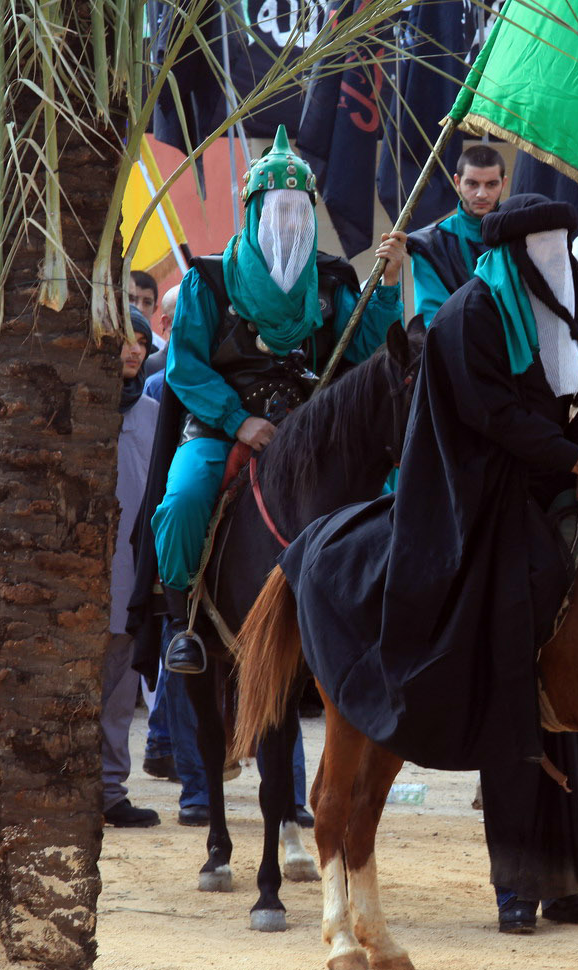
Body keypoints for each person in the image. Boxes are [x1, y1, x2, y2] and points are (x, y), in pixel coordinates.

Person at [277, 194, 578, 933]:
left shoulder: (568, 299)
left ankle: (567, 873)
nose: (562, 255)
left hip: (553, 483)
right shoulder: (471, 313)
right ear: (517, 250)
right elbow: (493, 419)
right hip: (477, 491)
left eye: (566, 241)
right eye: (549, 243)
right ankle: (514, 883)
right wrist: (574, 460)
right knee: (512, 612)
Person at [150, 127, 406, 675]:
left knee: (386, 497)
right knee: (185, 499)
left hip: (307, 429)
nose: (288, 221)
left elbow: (362, 349)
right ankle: (181, 624)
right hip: (224, 427)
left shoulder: (334, 282)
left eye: (297, 210)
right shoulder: (208, 281)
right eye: (276, 209)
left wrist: (386, 284)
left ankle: (379, 620)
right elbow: (186, 366)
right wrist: (238, 421)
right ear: (253, 210)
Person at [101, 308, 162, 828]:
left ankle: (108, 790)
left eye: (141, 340)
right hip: (74, 577)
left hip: (132, 572)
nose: (135, 349)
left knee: (121, 690)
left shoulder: (155, 413)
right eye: (124, 339)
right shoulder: (77, 411)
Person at [408, 144, 506, 328]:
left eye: (491, 184)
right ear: (457, 182)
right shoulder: (429, 245)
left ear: (504, 183)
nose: (481, 194)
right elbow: (434, 321)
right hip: (456, 349)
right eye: (472, 183)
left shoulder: (522, 237)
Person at [128, 269, 164, 350]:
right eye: (131, 299)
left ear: (154, 309)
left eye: (147, 302)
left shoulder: (161, 349)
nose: (139, 308)